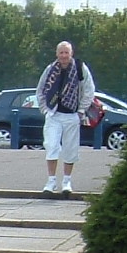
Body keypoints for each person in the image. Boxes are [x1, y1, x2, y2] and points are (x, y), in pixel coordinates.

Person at [37, 40, 96, 196]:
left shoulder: (80, 68)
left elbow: (89, 91)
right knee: (51, 145)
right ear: (57, 54)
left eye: (66, 53)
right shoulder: (50, 69)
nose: (63, 56)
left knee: (70, 148)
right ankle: (51, 182)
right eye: (61, 53)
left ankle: (66, 181)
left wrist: (81, 111)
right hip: (54, 114)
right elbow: (41, 90)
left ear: (71, 54)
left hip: (72, 115)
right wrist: (45, 109)